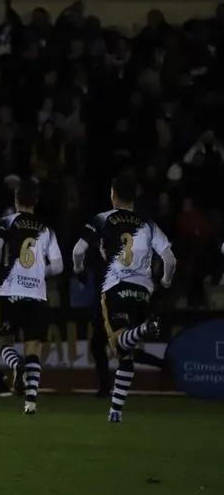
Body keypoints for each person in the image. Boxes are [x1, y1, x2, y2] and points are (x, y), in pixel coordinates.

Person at [72, 173, 176, 423]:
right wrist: (165, 282)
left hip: (115, 288)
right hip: (142, 293)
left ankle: (143, 330)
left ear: (113, 194)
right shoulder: (148, 223)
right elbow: (170, 259)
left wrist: (78, 270)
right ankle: (115, 412)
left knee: (118, 344)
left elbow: (78, 250)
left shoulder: (102, 218)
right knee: (126, 354)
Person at [0, 179, 64, 415]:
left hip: (10, 290)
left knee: (3, 341)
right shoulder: (46, 229)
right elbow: (59, 265)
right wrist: (42, 272)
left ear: (15, 199)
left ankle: (16, 365)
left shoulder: (6, 223)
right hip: (36, 294)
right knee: (33, 346)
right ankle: (31, 402)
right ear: (36, 202)